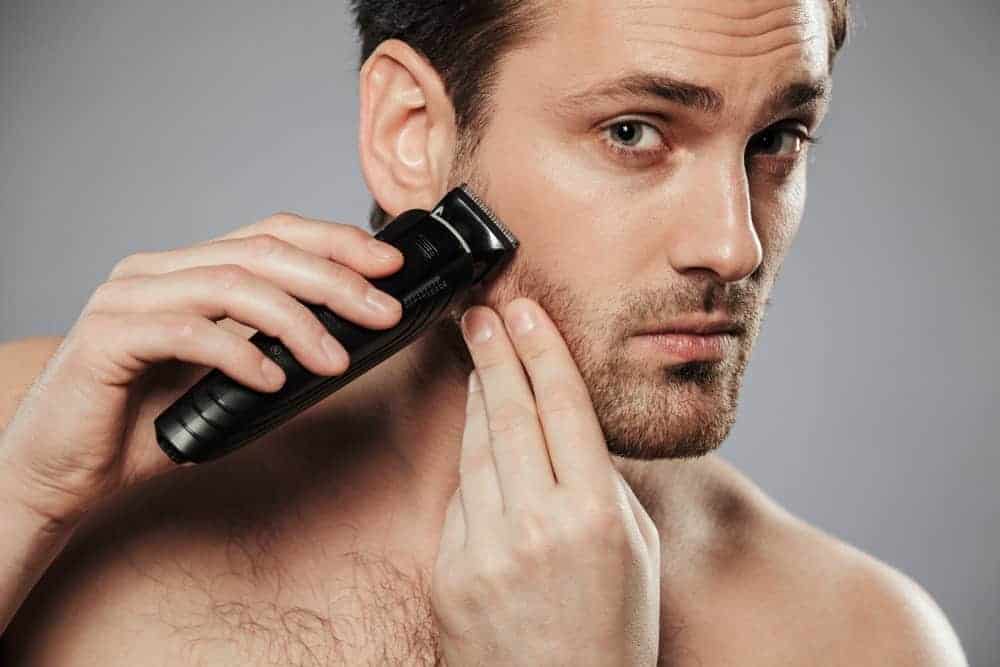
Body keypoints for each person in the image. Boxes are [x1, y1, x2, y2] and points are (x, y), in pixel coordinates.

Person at [0, 0, 969, 664]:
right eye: (634, 131)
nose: (733, 243)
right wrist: (26, 502)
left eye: (778, 141)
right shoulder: (29, 444)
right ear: (412, 132)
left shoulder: (859, 638)